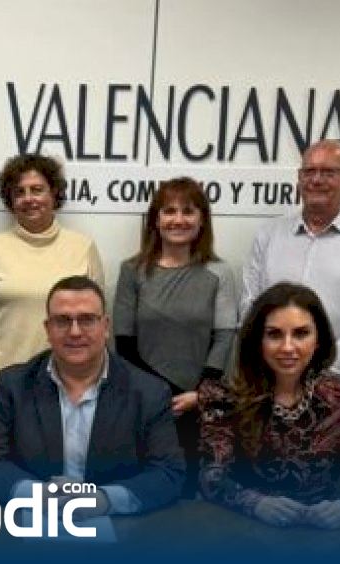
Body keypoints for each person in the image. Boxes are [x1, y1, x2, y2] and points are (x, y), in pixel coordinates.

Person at [0, 276, 185, 515]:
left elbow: (168, 472)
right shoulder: (14, 384)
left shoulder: (148, 391)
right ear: (48, 329)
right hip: (32, 520)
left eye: (87, 320)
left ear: (105, 327)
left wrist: (104, 500)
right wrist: (36, 495)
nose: (74, 332)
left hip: (118, 526)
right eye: (62, 321)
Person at [199, 282, 340, 528]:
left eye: (301, 334)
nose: (288, 347)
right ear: (258, 340)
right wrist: (254, 503)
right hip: (247, 529)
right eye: (274, 334)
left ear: (318, 340)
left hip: (323, 533)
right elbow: (211, 476)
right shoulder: (225, 399)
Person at [0, 153, 104, 431]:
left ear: (54, 193)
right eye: (19, 192)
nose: (29, 199)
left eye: (37, 189)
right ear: (10, 200)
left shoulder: (82, 248)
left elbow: (98, 324)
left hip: (63, 385)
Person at [112, 177, 239, 497]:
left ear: (202, 220)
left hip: (197, 406)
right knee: (142, 489)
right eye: (169, 211)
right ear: (155, 220)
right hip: (144, 402)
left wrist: (201, 394)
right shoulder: (132, 270)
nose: (178, 220)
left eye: (188, 211)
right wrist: (159, 394)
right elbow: (123, 342)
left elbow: (225, 337)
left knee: (188, 493)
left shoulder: (220, 272)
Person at [242, 139, 340, 389]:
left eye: (329, 172)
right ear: (299, 177)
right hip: (274, 376)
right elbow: (250, 305)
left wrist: (325, 368)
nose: (316, 180)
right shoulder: (269, 234)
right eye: (309, 171)